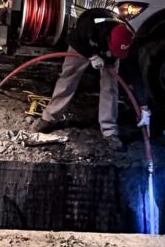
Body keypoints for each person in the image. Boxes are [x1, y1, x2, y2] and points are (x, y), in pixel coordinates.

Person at [34, 8, 139, 151]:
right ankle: (49, 117)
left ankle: (110, 131)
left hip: (109, 48)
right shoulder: (90, 27)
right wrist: (92, 55)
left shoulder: (128, 38)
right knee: (68, 78)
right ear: (107, 38)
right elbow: (71, 38)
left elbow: (134, 72)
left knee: (111, 87)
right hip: (83, 45)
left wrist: (143, 106)